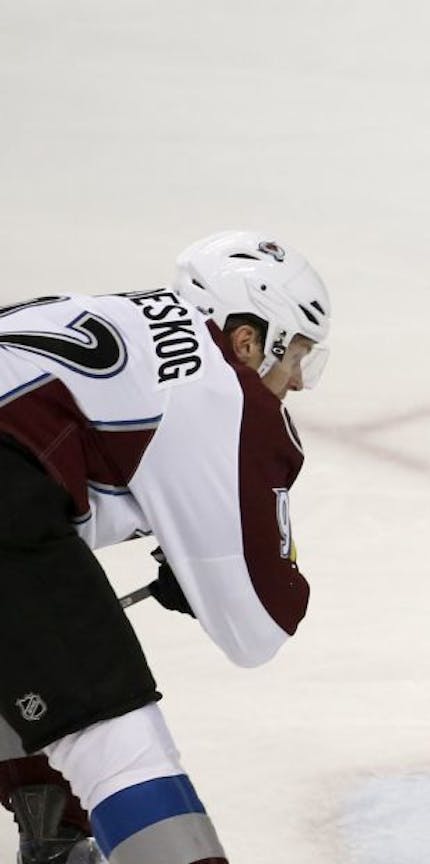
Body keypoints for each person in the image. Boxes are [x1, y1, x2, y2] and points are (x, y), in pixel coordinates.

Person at [0, 230, 331, 864]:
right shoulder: (224, 392)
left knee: (23, 641)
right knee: (115, 739)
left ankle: (53, 835)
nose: (300, 385)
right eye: (299, 359)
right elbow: (258, 626)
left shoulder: (121, 318)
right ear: (249, 341)